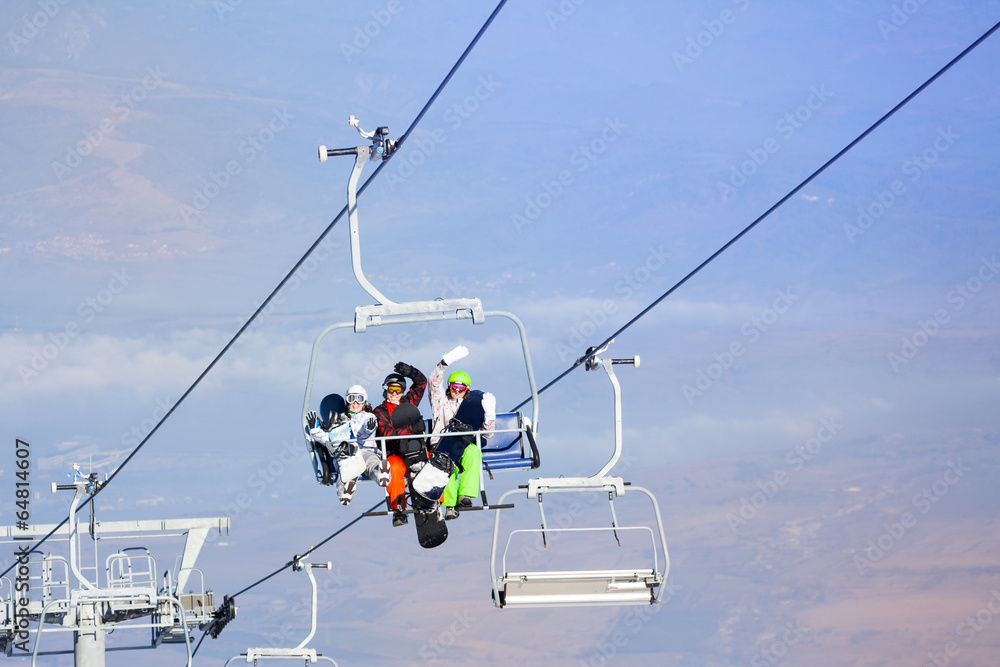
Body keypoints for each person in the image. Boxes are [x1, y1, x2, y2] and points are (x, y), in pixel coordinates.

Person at [427, 345, 496, 520]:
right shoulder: (440, 402)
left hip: (464, 444)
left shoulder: (472, 407)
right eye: (454, 386)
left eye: (461, 388)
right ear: (449, 386)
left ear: (467, 389)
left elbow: (487, 435)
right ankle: (449, 505)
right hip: (442, 444)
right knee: (449, 462)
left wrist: (489, 417)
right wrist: (444, 362)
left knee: (473, 452)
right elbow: (433, 383)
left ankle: (464, 495)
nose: (457, 391)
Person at [306, 387, 387, 506]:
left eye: (359, 399)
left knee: (371, 461)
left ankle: (380, 473)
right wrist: (315, 430)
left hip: (365, 450)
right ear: (346, 401)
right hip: (348, 453)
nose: (355, 403)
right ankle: (345, 491)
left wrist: (369, 429)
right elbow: (328, 438)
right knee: (345, 469)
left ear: (364, 402)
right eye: (351, 399)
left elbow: (366, 431)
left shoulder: (368, 417)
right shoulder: (340, 419)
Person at [372, 362, 427, 526]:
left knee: (430, 464)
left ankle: (430, 501)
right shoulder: (380, 411)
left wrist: (412, 372)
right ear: (385, 390)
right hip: (395, 453)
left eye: (398, 390)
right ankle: (399, 510)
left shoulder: (408, 404)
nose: (394, 393)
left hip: (414, 451)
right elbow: (385, 433)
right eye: (391, 389)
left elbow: (421, 383)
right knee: (393, 468)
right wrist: (411, 429)